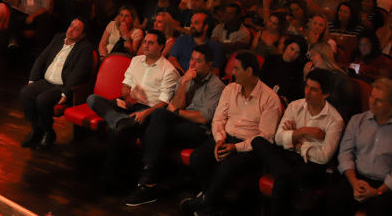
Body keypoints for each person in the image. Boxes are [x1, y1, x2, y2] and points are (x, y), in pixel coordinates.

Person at [180, 51, 283, 216]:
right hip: (226, 137)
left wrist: (236, 148)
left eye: (236, 69)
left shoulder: (270, 99)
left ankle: (205, 201)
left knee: (226, 167)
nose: (232, 73)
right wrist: (220, 140)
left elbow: (266, 137)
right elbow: (218, 119)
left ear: (249, 71)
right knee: (197, 157)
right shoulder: (230, 89)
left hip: (249, 147)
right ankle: (213, 201)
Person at [124, 44, 225, 206]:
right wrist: (184, 83)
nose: (192, 64)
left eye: (198, 61)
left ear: (209, 65)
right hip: (181, 124)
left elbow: (202, 119)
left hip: (200, 132)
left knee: (156, 128)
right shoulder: (185, 78)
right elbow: (178, 105)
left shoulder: (217, 86)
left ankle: (147, 180)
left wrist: (177, 113)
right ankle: (148, 177)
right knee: (158, 115)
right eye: (191, 59)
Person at [87, 29, 179, 187]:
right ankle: (119, 120)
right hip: (130, 104)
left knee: (117, 130)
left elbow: (163, 103)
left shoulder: (169, 70)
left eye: (151, 43)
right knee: (92, 98)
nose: (146, 45)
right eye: (145, 42)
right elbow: (126, 83)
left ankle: (109, 176)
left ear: (161, 46)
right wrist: (127, 97)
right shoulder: (136, 60)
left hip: (148, 111)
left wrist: (144, 113)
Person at [251, 69, 345, 216]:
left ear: (325, 94)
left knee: (282, 183)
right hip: (288, 155)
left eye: (313, 89)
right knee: (257, 141)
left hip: (310, 164)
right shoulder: (295, 106)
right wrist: (304, 131)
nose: (307, 92)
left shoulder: (335, 120)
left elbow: (323, 156)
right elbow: (279, 138)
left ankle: (294, 184)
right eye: (307, 86)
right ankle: (302, 188)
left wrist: (298, 143)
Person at [327, 78, 392, 216]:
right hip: (356, 178)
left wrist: (378, 192)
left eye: (379, 100)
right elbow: (345, 153)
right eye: (371, 96)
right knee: (333, 202)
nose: (372, 102)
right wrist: (354, 182)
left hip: (385, 186)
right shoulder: (357, 120)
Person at [20, 18, 94, 150]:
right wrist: (32, 79)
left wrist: (66, 92)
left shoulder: (85, 48)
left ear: (83, 35)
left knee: (42, 100)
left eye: (76, 29)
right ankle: (36, 130)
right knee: (26, 92)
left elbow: (79, 73)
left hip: (62, 85)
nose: (71, 30)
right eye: (71, 26)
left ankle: (48, 132)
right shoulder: (59, 38)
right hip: (46, 81)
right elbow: (41, 59)